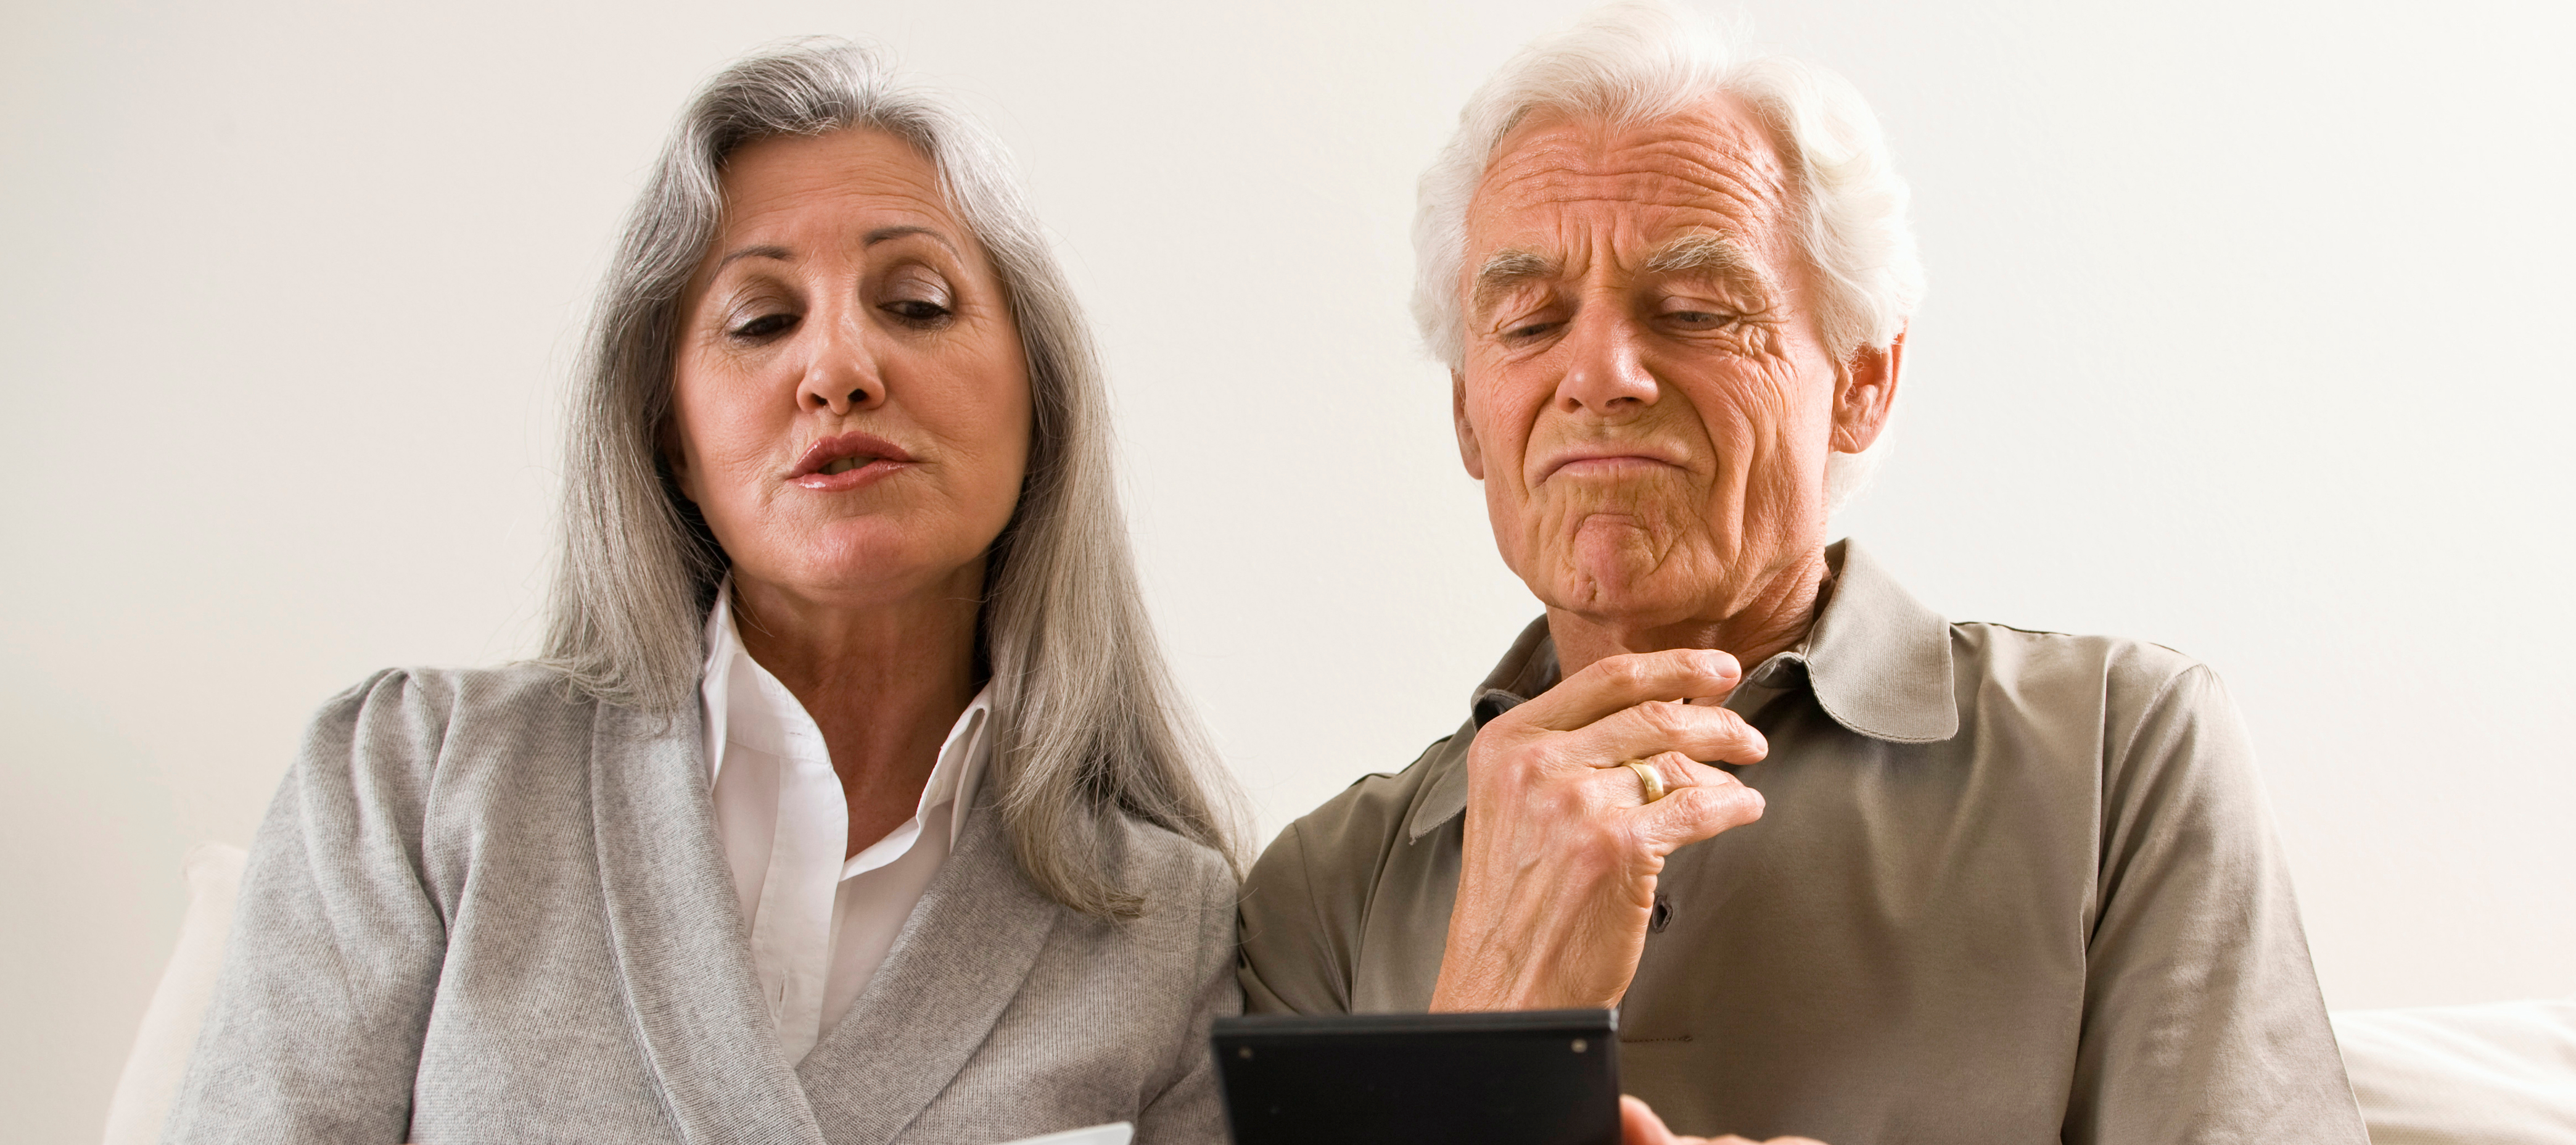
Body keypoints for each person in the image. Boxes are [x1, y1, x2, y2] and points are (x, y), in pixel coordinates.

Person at [1233, 4, 2370, 1143]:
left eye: (1691, 310)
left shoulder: (2120, 750)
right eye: (1529, 323)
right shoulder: (1320, 895)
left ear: (1864, 382)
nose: (1599, 373)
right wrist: (1493, 1005)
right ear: (1468, 418)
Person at [163, 39, 1243, 1145]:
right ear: (669, 437)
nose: (837, 370)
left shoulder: (1169, 925)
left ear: (1040, 400)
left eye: (916, 302)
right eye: (759, 322)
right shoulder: (416, 785)